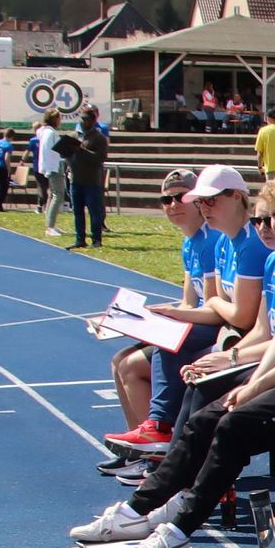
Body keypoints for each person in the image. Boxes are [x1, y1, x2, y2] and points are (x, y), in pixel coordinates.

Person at [69, 170, 275, 548]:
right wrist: (251, 380)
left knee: (234, 425)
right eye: (274, 214)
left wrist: (254, 388)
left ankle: (178, 533)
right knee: (205, 418)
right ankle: (136, 510)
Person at [98, 169, 222, 466]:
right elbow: (187, 301)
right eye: (166, 200)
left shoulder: (210, 241)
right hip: (196, 324)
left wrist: (162, 319)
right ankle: (137, 448)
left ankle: (156, 445)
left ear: (198, 201)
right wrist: (137, 318)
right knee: (119, 360)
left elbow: (211, 308)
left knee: (133, 364)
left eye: (181, 197)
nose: (173, 204)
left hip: (213, 330)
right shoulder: (190, 242)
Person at [63, 112, 110, 250]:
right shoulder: (74, 135)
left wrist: (81, 150)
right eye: (82, 119)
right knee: (77, 211)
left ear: (93, 121)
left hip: (91, 180)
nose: (83, 122)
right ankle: (80, 239)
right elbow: (67, 154)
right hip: (75, 179)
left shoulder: (99, 138)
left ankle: (96, 239)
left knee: (94, 211)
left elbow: (100, 157)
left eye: (86, 120)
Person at [32, 108, 66, 234]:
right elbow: (48, 150)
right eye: (58, 117)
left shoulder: (47, 131)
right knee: (58, 195)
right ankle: (50, 226)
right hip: (54, 166)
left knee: (54, 195)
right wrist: (50, 167)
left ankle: (51, 224)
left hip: (53, 165)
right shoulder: (49, 132)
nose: (60, 120)